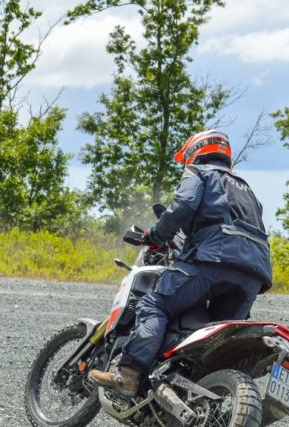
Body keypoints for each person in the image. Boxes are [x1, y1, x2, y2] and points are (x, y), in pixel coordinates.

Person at [89, 129, 273, 396]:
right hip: (253, 274)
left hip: (214, 259)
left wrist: (156, 235)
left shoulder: (200, 173)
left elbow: (184, 205)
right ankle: (200, 400)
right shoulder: (247, 188)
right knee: (216, 341)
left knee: (155, 304)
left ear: (194, 152)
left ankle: (128, 375)